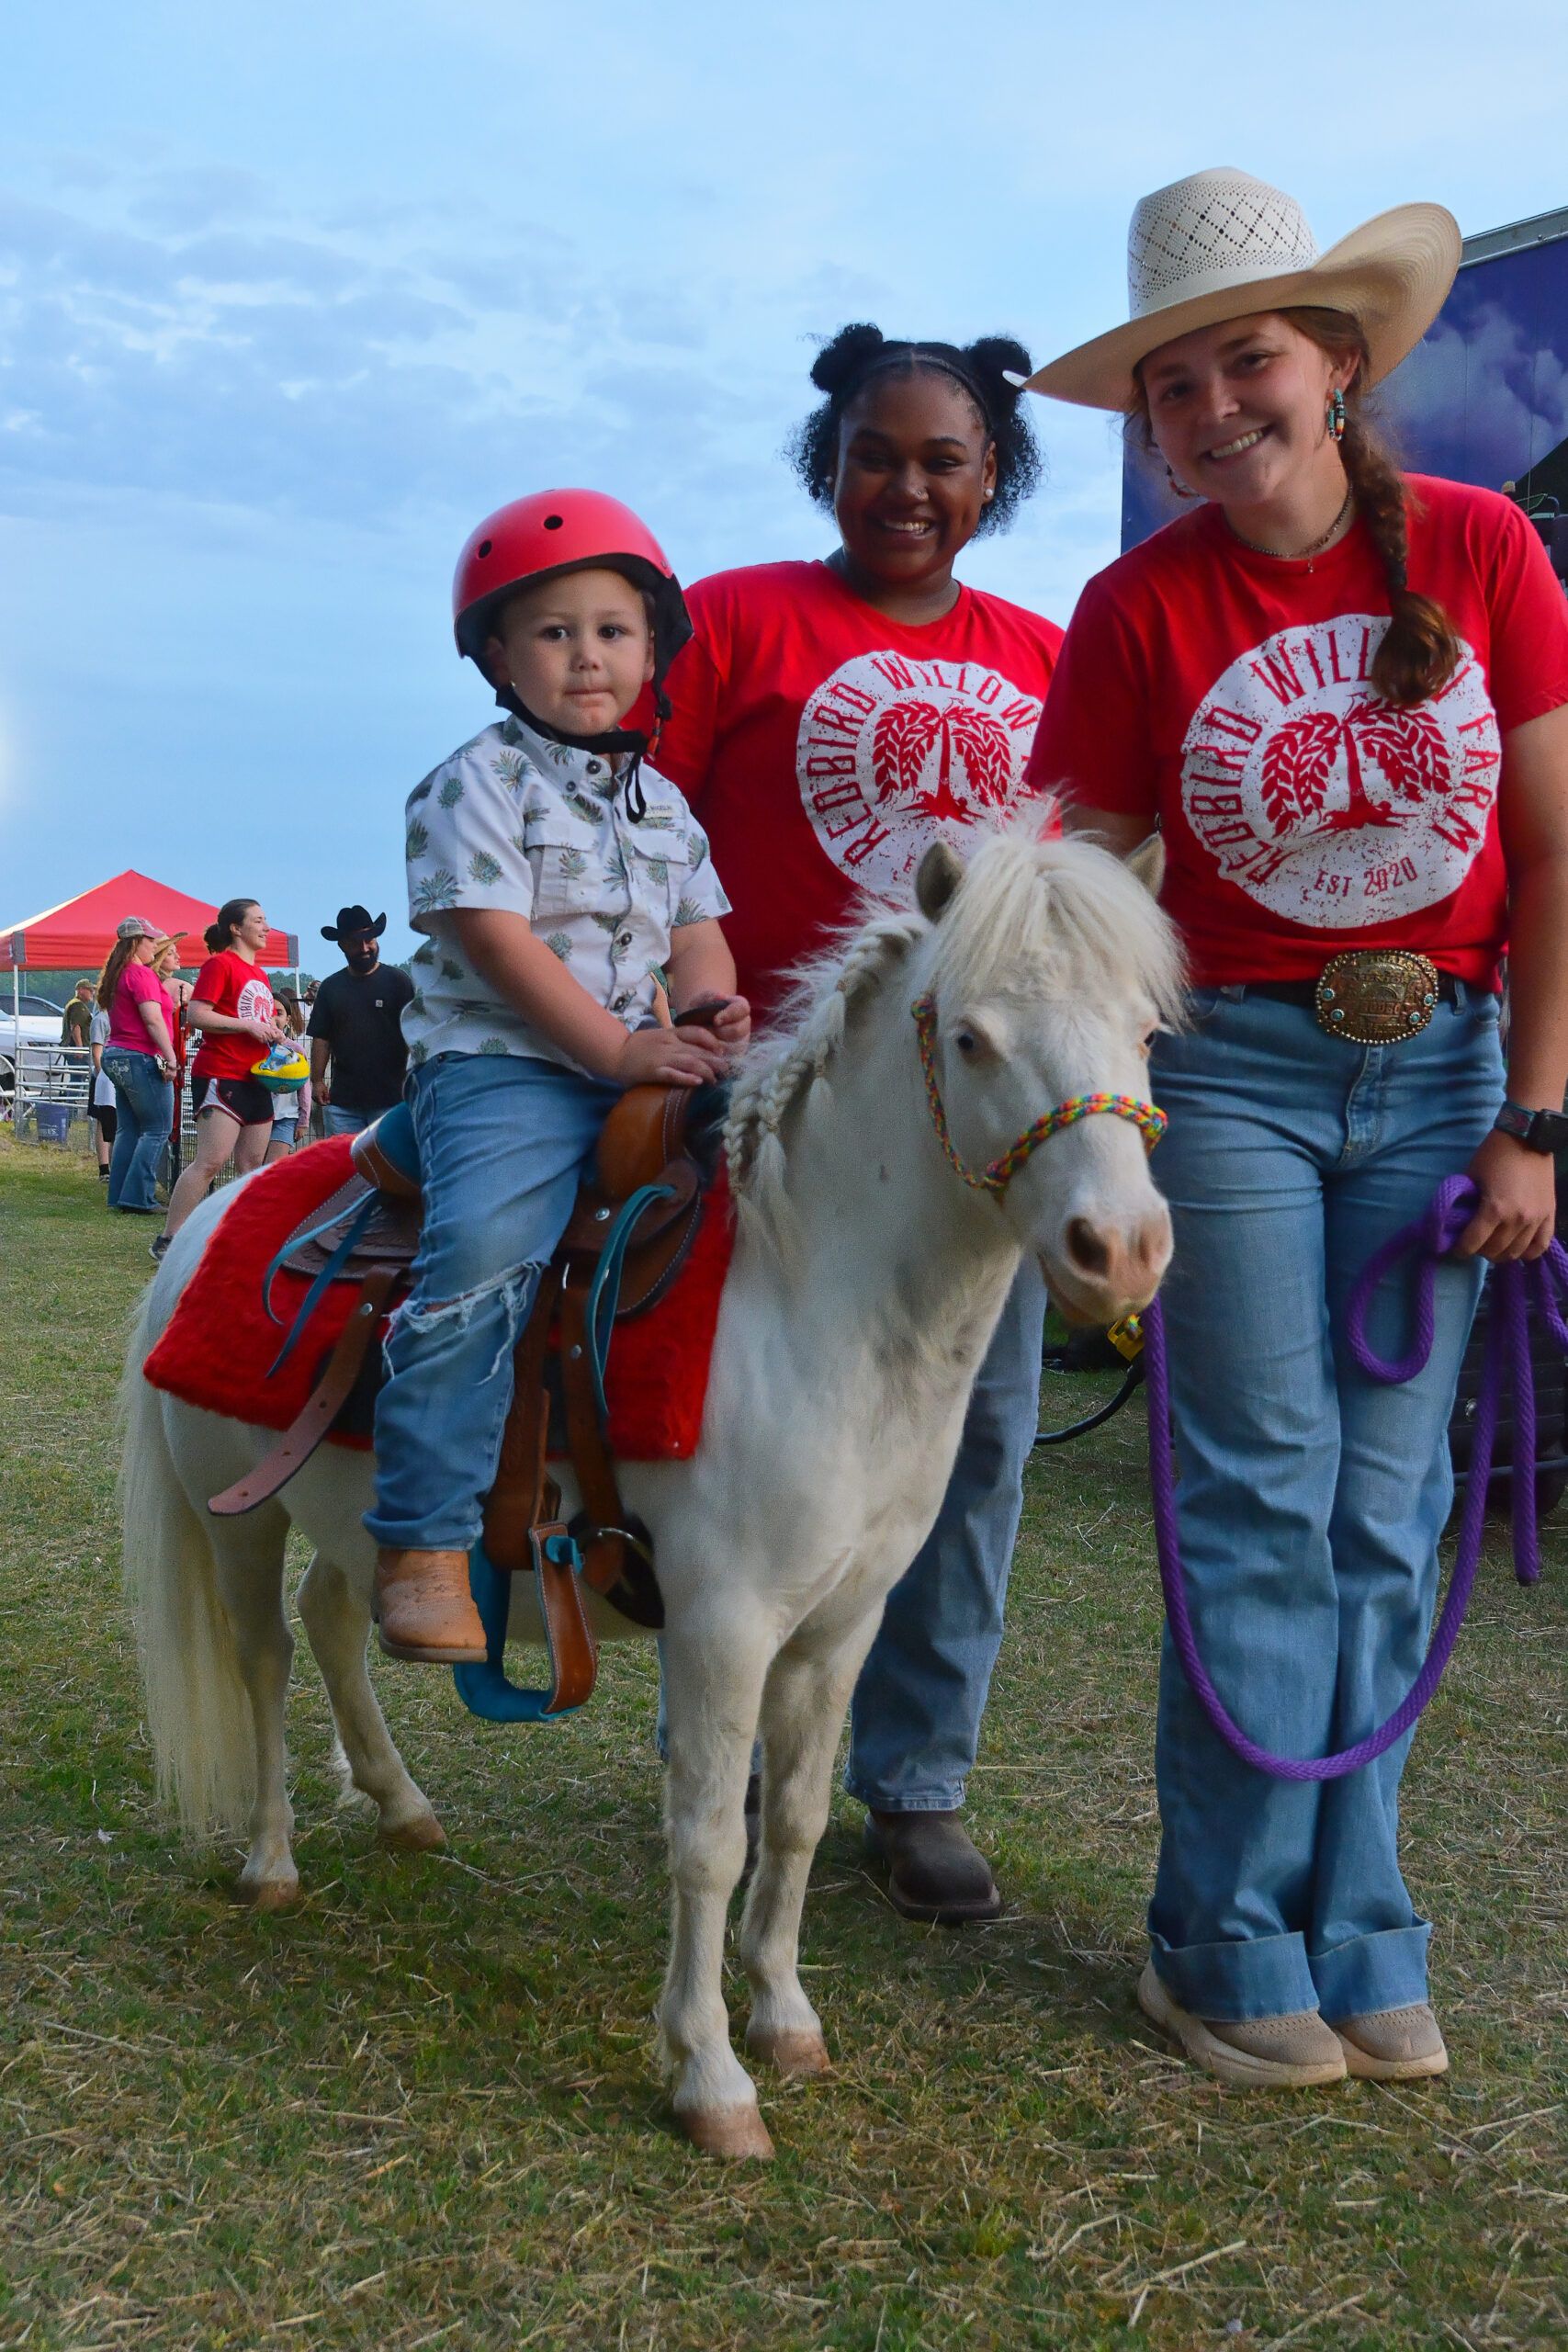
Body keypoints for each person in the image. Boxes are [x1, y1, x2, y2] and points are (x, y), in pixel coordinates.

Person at [1026, 166, 1568, 2087]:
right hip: (1233, 1076)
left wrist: (1536, 1118)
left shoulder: (1488, 550)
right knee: (1262, 1493)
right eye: (1164, 389)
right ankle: (1223, 1935)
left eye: (1240, 362)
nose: (1204, 412)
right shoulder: (1130, 608)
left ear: (1334, 363)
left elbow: (1552, 844)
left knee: (1386, 1505)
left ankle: (1364, 1923)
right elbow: (1078, 889)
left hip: (1439, 1074)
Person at [654, 323, 1062, 1922]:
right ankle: (733, 1737)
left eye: (942, 459)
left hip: (971, 1137)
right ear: (826, 462)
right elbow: (648, 826)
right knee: (734, 1434)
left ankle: (917, 1782)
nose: (903, 485)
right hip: (777, 1116)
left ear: (993, 478)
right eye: (872, 454)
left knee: (968, 1457)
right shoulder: (733, 621)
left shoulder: (1046, 653)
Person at [369, 489, 748, 1663]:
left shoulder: (665, 802)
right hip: (507, 1068)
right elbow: (498, 942)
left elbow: (698, 935)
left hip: (638, 1059)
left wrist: (709, 1011)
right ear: (495, 652)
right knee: (482, 1254)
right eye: (553, 631)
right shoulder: (470, 782)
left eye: (614, 628)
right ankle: (422, 1534)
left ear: (653, 648)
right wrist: (618, 1048)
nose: (589, 654)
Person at [154, 899, 286, 1262]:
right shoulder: (219, 964)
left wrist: (284, 1040)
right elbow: (197, 1014)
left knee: (250, 1166)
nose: (266, 927)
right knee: (211, 1161)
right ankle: (169, 1238)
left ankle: (240, 1236)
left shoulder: (260, 975)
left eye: (266, 920)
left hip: (257, 1077)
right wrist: (248, 1026)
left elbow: (262, 1022)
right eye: (258, 920)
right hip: (221, 1072)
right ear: (236, 928)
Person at [306, 907, 414, 1136]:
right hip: (343, 1102)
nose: (365, 947)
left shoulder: (398, 982)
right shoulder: (330, 987)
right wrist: (316, 1081)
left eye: (370, 939)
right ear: (342, 945)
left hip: (393, 1100)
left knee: (390, 1167)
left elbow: (411, 1033)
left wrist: (412, 1079)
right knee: (344, 1169)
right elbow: (321, 1037)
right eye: (356, 942)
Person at [97, 917, 178, 1215]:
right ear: (136, 942)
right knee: (157, 1128)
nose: (156, 945)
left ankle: (119, 1194)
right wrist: (171, 1058)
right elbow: (153, 1019)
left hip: (116, 1055)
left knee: (128, 1129)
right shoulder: (141, 974)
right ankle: (139, 1198)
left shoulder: (116, 974)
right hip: (141, 1056)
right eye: (151, 940)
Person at [266, 989, 308, 1159]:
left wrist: (304, 1120)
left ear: (288, 1019)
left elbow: (304, 1087)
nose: (274, 1018)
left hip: (286, 1117)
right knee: (253, 1169)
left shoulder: (296, 1050)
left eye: (279, 1013)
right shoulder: (253, 1047)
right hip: (257, 1116)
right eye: (269, 1012)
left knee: (273, 1168)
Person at [87, 989, 115, 1181]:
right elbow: (96, 1052)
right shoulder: (101, 1020)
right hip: (103, 1079)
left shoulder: (118, 1020)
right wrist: (102, 1075)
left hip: (116, 1078)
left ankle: (115, 1166)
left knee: (115, 1122)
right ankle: (104, 1167)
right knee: (103, 1121)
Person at [62, 979, 95, 1047]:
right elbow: (75, 1026)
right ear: (81, 990)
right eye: (90, 990)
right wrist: (79, 1047)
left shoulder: (76, 1003)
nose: (92, 993)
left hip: (73, 1046)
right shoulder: (78, 1005)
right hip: (76, 1047)